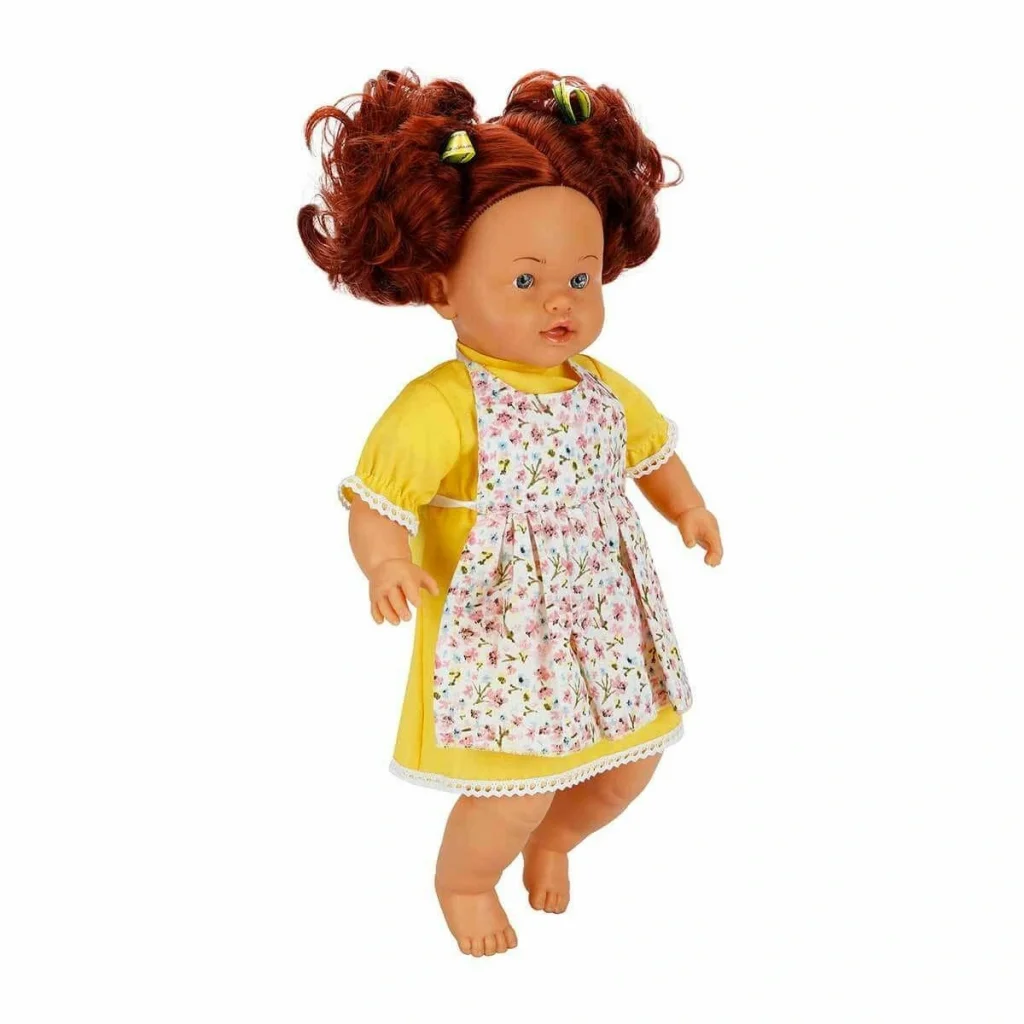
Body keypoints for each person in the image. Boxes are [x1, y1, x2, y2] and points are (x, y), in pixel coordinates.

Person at [299, 68, 723, 957]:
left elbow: (650, 452)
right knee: (515, 784)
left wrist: (686, 507)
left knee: (630, 763)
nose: (560, 301)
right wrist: (385, 562)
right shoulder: (443, 403)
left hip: (605, 618)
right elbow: (378, 500)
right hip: (503, 630)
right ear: (443, 289)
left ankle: (558, 840)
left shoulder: (599, 386)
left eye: (580, 276)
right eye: (525, 280)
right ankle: (464, 880)